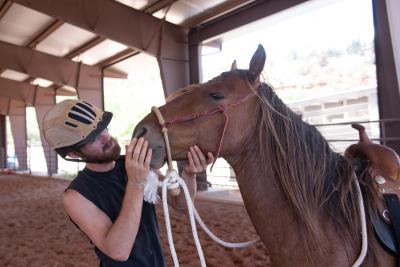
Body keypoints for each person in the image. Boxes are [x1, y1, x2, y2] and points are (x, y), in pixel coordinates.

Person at [42, 99, 214, 266]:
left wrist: (189, 174)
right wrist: (136, 183)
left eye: (103, 128)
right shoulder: (76, 196)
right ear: (73, 154)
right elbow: (118, 251)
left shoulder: (133, 164)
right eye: (92, 138)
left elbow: (181, 205)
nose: (105, 137)